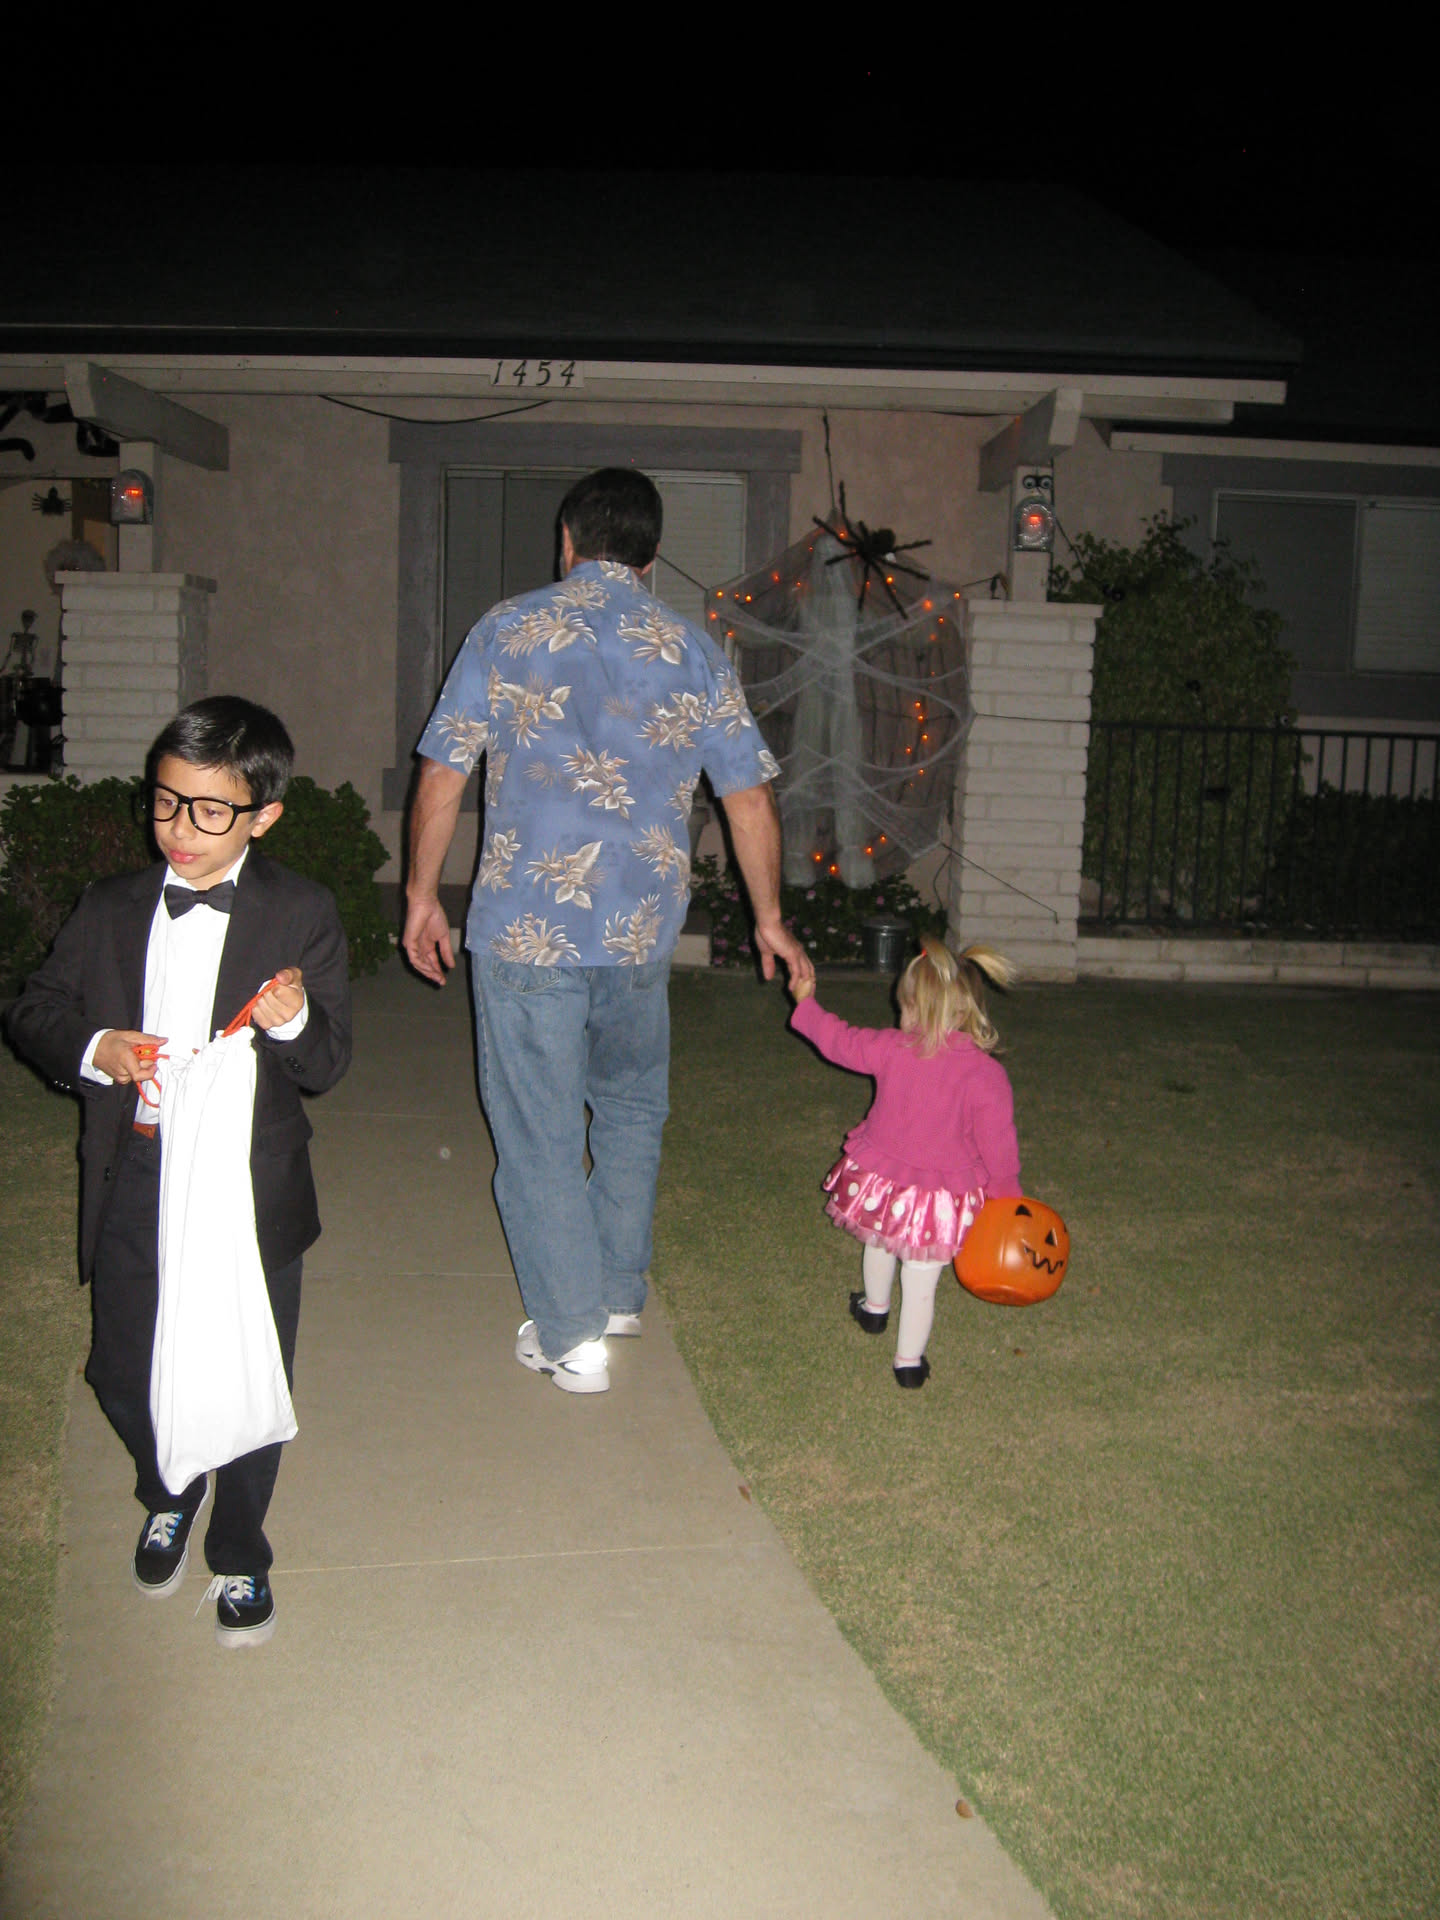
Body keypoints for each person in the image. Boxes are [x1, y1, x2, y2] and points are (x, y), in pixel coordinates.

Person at [403, 466, 813, 1393]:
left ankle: (571, 1335)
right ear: (652, 555)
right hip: (637, 933)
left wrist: (422, 894)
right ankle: (618, 1291)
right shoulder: (693, 648)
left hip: (527, 930)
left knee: (538, 1127)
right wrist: (770, 920)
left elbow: (442, 772)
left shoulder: (506, 629)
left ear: (568, 541)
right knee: (630, 1108)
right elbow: (749, 798)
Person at [4, 697, 351, 1646]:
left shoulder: (300, 911)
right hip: (137, 1170)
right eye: (164, 802)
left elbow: (326, 1063)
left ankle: (239, 1550)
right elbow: (34, 1008)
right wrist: (95, 1046)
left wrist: (290, 1020)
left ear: (263, 816)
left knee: (242, 1375)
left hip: (244, 1188)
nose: (179, 829)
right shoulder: (111, 906)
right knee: (122, 1364)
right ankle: (170, 1486)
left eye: (208, 810)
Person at [790, 937, 1019, 1388]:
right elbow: (999, 1144)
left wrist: (806, 1003)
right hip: (941, 1199)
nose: (900, 1016)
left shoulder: (891, 1047)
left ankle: (874, 1310)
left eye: (906, 1006)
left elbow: (838, 1040)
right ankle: (908, 1363)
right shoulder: (986, 1073)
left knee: (879, 1241)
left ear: (923, 1008)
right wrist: (1006, 1195)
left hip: (884, 1184)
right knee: (921, 1279)